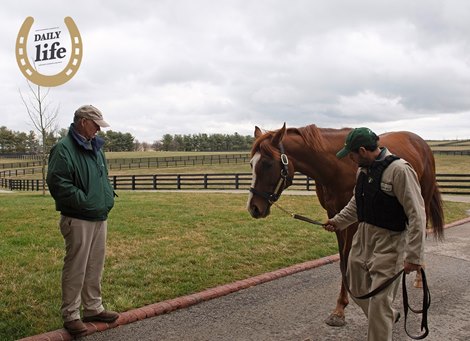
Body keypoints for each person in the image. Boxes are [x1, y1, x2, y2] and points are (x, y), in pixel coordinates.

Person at [323, 127, 426, 341]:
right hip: (363, 237)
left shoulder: (400, 171)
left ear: (362, 150)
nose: (350, 160)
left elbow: (417, 214)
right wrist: (338, 221)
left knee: (379, 303)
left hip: (389, 242)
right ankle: (387, 315)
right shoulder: (363, 170)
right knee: (353, 284)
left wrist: (414, 256)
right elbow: (356, 203)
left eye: (351, 155)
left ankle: (382, 317)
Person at [47, 105, 118, 336]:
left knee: (95, 265)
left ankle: (93, 308)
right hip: (78, 218)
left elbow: (102, 177)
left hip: (98, 215)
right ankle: (71, 314)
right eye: (95, 124)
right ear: (82, 121)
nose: (98, 129)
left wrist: (105, 197)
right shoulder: (63, 148)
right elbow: (58, 183)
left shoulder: (96, 147)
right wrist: (86, 201)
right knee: (76, 267)